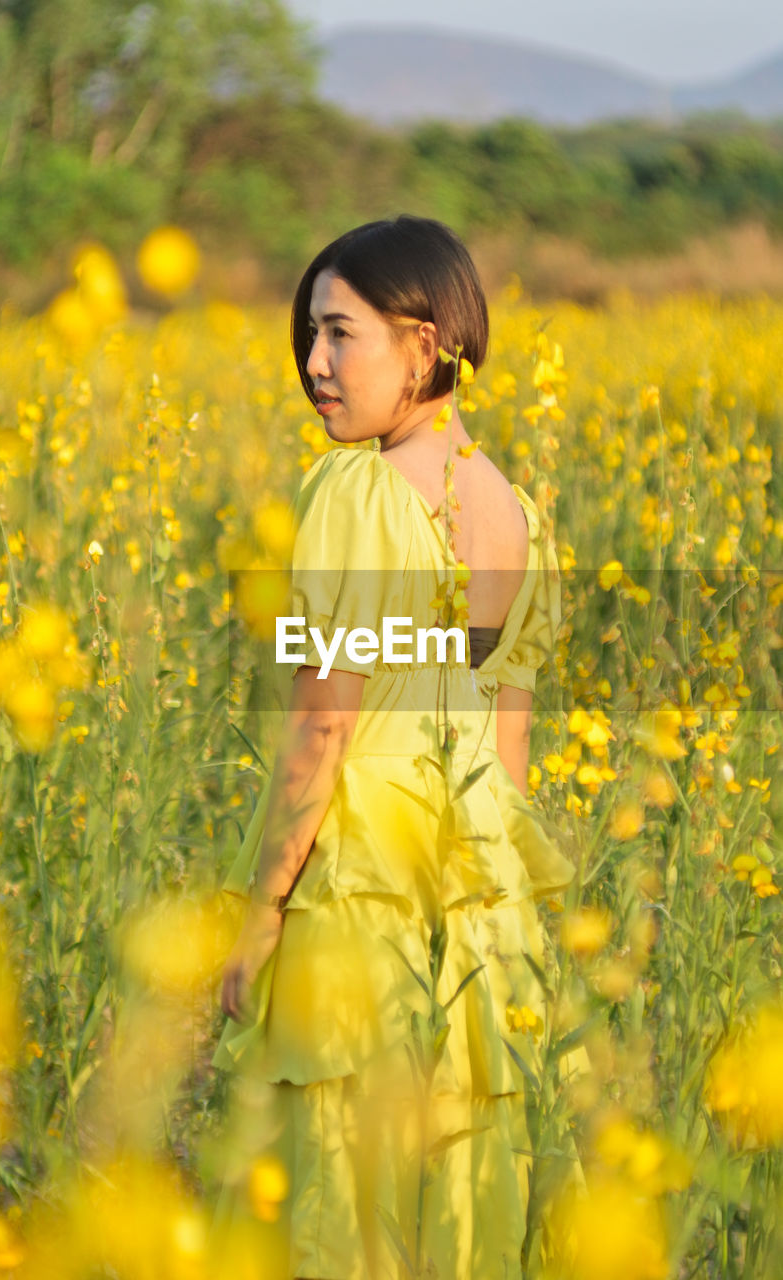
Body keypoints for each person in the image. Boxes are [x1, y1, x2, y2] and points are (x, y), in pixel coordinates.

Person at [215, 216, 576, 1279]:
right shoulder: (518, 512)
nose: (315, 366)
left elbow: (323, 726)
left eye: (340, 334)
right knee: (455, 1199)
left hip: (362, 888)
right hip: (478, 908)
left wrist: (260, 909)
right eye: (310, 339)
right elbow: (507, 759)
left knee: (340, 1189)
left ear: (423, 345)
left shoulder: (355, 492)